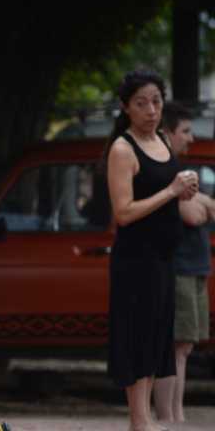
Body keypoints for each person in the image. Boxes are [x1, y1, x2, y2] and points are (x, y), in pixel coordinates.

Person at [105, 70, 198, 431]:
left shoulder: (161, 139)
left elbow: (167, 192)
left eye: (156, 101)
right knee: (136, 335)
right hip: (135, 260)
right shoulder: (122, 149)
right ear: (126, 107)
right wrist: (171, 191)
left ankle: (142, 419)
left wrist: (185, 191)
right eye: (141, 103)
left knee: (157, 337)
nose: (151, 110)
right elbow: (124, 212)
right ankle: (139, 420)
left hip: (164, 258)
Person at [154, 101, 212, 424]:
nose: (191, 138)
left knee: (184, 348)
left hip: (194, 268)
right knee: (174, 347)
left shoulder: (180, 170)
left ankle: (177, 416)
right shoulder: (166, 171)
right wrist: (202, 204)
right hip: (178, 269)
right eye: (186, 131)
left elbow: (207, 207)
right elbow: (193, 214)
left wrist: (202, 202)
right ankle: (168, 418)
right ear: (168, 133)